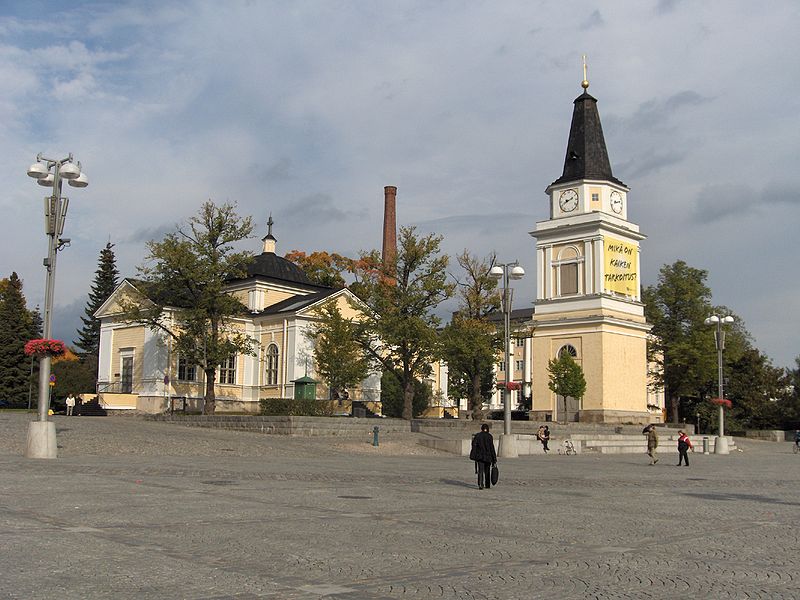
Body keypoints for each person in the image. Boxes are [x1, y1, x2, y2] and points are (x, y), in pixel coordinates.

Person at [469, 423, 497, 490]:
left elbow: (474, 446)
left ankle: (480, 484)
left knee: (480, 471)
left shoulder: (478, 436)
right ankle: (487, 484)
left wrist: (473, 455)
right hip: (488, 456)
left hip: (480, 456)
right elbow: (491, 448)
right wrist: (494, 458)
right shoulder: (490, 436)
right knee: (487, 471)